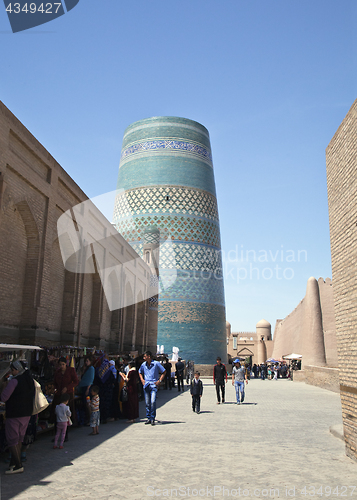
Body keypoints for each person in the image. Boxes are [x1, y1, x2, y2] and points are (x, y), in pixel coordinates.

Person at [1, 360, 35, 474]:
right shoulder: (29, 380)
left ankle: (18, 465)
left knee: (12, 439)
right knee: (19, 438)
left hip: (15, 413)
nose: (11, 372)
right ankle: (14, 463)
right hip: (26, 413)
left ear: (17, 370)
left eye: (13, 370)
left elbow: (4, 397)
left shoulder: (14, 381)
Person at [51, 357, 78, 439]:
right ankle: (56, 434)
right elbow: (55, 383)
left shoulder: (71, 370)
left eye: (63, 364)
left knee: (66, 414)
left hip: (67, 395)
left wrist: (67, 387)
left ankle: (65, 435)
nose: (62, 366)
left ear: (66, 364)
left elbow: (76, 381)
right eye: (60, 365)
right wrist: (55, 389)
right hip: (58, 395)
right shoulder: (57, 372)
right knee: (57, 413)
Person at [138, 351, 165, 425]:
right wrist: (142, 380)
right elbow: (139, 372)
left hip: (153, 385)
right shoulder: (143, 365)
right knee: (147, 403)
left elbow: (164, 371)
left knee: (153, 402)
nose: (143, 358)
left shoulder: (156, 364)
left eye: (145, 356)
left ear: (149, 356)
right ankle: (149, 418)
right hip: (146, 385)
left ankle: (152, 417)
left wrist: (159, 380)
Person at [77, 356, 95, 425]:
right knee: (85, 403)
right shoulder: (86, 369)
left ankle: (90, 419)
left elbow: (91, 379)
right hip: (83, 387)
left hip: (87, 388)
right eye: (85, 361)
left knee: (88, 403)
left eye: (87, 361)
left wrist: (88, 389)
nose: (86, 362)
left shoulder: (91, 369)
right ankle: (86, 418)